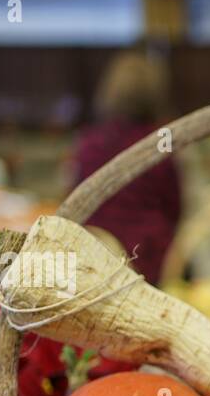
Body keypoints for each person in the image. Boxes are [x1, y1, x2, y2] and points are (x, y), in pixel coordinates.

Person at [71, 51, 181, 285]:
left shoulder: (90, 142)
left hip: (98, 255)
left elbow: (75, 201)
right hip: (149, 258)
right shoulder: (160, 144)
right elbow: (174, 206)